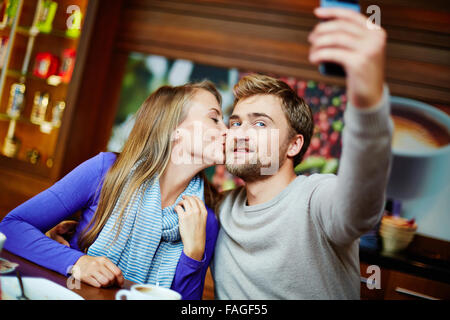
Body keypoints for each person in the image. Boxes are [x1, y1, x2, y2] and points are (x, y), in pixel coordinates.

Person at [211, 7, 392, 299]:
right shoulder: (221, 209)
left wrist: (368, 96)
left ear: (294, 145)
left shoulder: (316, 199)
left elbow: (361, 208)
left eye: (260, 123)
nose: (240, 132)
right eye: (236, 122)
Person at [0, 81, 227, 299]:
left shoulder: (205, 221)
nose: (226, 130)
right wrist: (77, 262)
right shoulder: (105, 171)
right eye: (215, 119)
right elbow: (10, 227)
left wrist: (194, 254)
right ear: (174, 128)